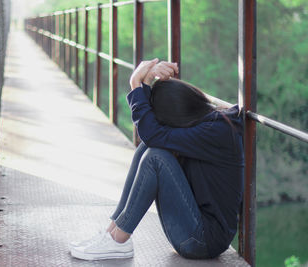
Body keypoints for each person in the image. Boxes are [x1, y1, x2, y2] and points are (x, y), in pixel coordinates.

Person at [69, 59, 244, 261]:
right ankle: (113, 233)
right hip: (194, 228)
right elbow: (153, 136)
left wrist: (136, 82)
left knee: (155, 156)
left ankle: (119, 239)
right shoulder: (205, 124)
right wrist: (146, 80)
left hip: (203, 241)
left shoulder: (214, 131)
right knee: (148, 147)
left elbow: (153, 133)